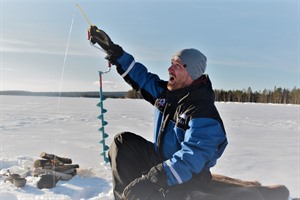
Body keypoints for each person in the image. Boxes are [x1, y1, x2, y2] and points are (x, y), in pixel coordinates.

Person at [88, 26, 228, 200]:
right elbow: (142, 78)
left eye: (177, 65)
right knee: (123, 142)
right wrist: (114, 51)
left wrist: (153, 178)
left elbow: (192, 157)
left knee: (167, 183)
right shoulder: (167, 94)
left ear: (191, 73)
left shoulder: (202, 112)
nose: (170, 69)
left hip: (186, 178)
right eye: (171, 63)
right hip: (161, 160)